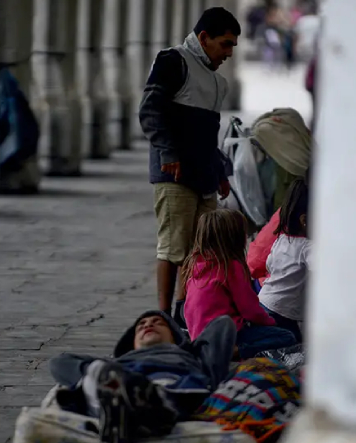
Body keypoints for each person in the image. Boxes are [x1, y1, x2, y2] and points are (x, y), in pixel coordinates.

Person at [139, 7, 241, 321]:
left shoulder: (217, 82)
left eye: (232, 47)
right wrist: (168, 154)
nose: (228, 53)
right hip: (174, 175)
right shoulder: (173, 61)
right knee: (173, 248)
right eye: (224, 44)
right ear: (204, 38)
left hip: (204, 176)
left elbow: (207, 134)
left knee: (201, 250)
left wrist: (220, 171)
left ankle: (186, 314)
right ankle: (164, 313)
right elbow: (150, 112)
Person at [50, 311, 236, 442]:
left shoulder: (191, 358)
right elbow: (60, 363)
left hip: (172, 388)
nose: (148, 325)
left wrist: (191, 347)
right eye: (141, 325)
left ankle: (140, 408)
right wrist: (100, 369)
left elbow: (222, 324)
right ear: (132, 343)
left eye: (158, 323)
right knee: (97, 375)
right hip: (118, 383)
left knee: (155, 394)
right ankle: (125, 406)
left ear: (175, 336)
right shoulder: (118, 363)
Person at [181, 209, 296, 359]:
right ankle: (237, 351)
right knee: (287, 336)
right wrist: (270, 322)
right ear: (234, 238)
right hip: (226, 335)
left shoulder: (195, 264)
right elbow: (250, 310)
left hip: (199, 336)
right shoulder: (231, 266)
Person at [258, 178, 312, 343]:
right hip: (281, 314)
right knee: (293, 346)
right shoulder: (308, 247)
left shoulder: (281, 238)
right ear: (304, 220)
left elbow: (269, 264)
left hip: (263, 302)